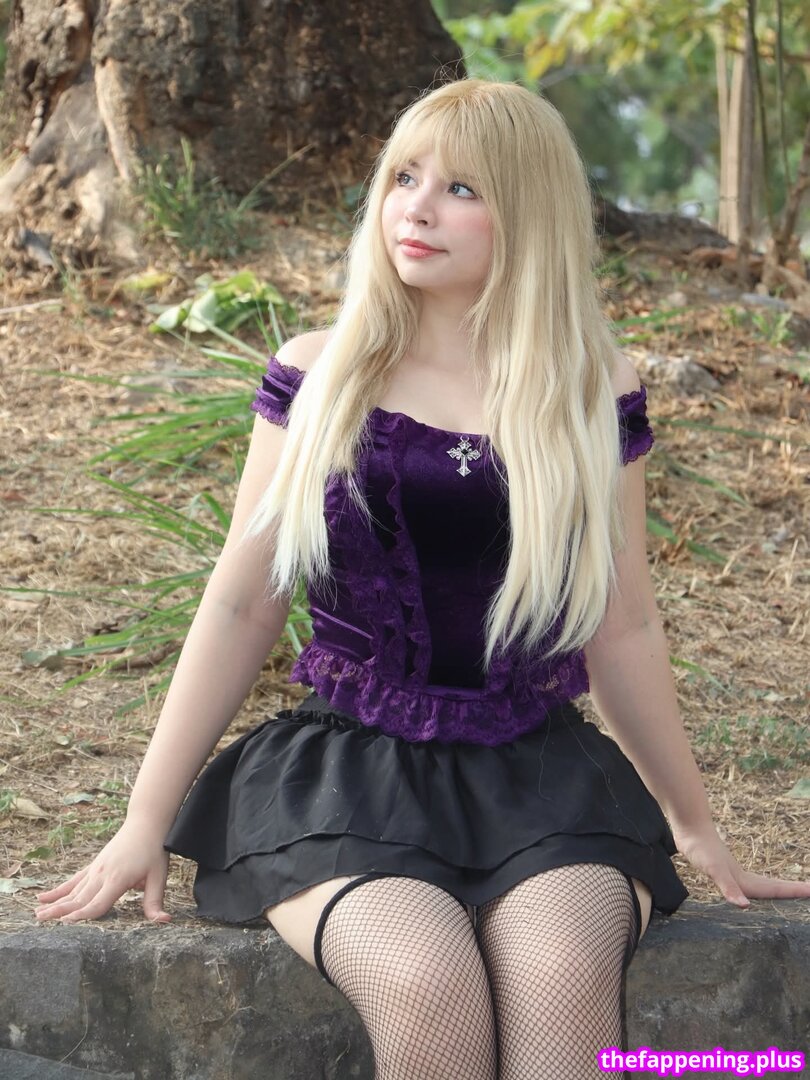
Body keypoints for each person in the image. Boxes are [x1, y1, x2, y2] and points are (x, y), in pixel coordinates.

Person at [34, 78, 810, 1080]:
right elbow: (240, 602)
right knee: (424, 984)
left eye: (461, 189)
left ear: (528, 217)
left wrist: (695, 826)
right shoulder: (321, 374)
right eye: (404, 177)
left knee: (563, 972)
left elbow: (623, 627)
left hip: (541, 777)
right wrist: (143, 821)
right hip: (345, 778)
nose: (417, 207)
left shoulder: (588, 388)